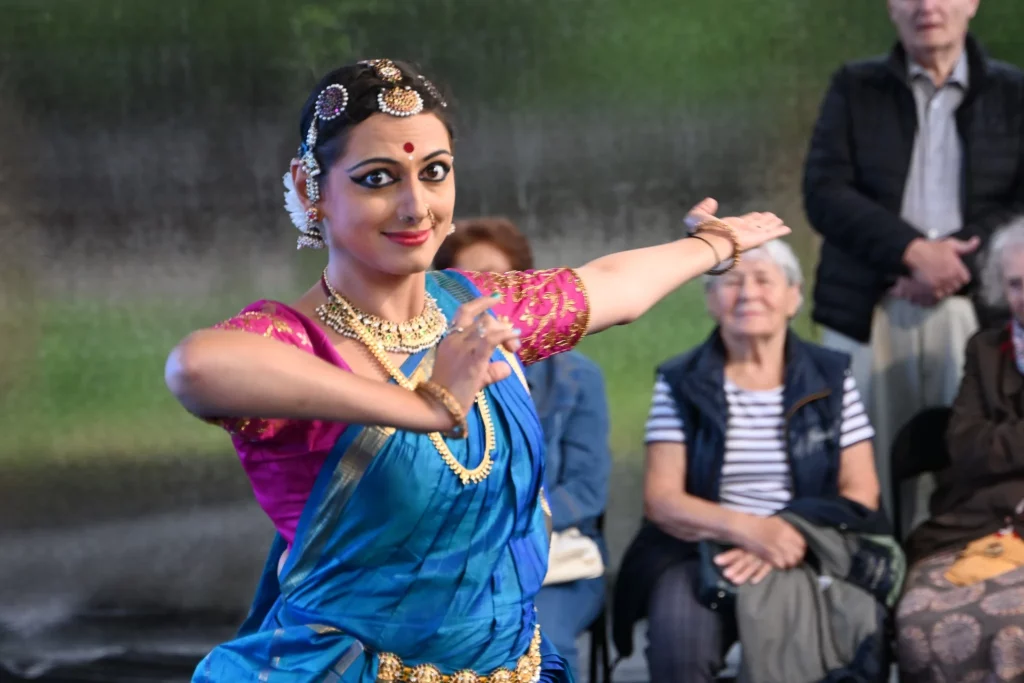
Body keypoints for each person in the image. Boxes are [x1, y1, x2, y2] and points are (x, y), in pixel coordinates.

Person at [163, 58, 790, 683]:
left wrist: (711, 247)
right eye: (378, 178)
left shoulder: (476, 309)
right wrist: (422, 406)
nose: (416, 207)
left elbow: (611, 288)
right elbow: (196, 366)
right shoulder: (295, 342)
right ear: (310, 191)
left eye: (433, 173)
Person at [612, 240, 896, 682]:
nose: (747, 294)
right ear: (711, 301)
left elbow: (861, 491)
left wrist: (786, 530)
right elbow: (662, 500)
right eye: (730, 282)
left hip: (807, 543)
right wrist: (750, 531)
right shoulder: (680, 380)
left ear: (793, 297)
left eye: (764, 279)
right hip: (700, 548)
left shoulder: (832, 376)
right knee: (678, 645)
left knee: (854, 637)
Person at [802, 0, 1024, 533]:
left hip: (972, 306)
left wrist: (952, 260)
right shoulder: (856, 88)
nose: (928, 6)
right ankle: (871, 587)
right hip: (870, 302)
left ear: (972, 4)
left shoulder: (1013, 93)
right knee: (863, 466)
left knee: (967, 456)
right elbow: (825, 191)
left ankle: (956, 573)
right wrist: (910, 252)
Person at [435, 217, 611, 677]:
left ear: (524, 292)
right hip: (453, 562)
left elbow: (587, 492)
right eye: (466, 286)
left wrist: (510, 529)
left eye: (496, 283)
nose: (481, 298)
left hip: (556, 564)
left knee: (540, 647)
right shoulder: (430, 376)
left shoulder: (575, 378)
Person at [895, 217, 1024, 683]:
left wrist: (1002, 437)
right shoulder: (986, 349)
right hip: (977, 525)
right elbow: (966, 447)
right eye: (1016, 284)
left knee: (1014, 628)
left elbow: (986, 446)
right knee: (919, 624)